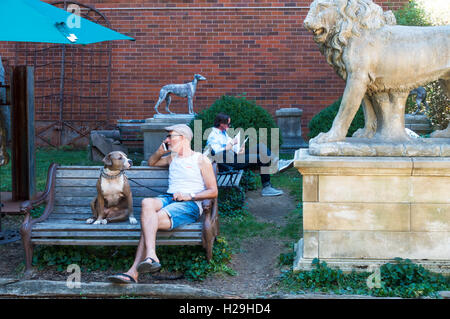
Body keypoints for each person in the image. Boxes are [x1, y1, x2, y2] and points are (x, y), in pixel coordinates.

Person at [107, 124, 218, 284]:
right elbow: (152, 162)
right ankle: (151, 255)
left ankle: (133, 272)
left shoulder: (200, 159)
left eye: (170, 136)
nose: (167, 140)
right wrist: (160, 151)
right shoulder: (172, 157)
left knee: (150, 221)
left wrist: (189, 195)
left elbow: (213, 191)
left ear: (184, 138)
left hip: (190, 204)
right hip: (169, 198)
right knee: (147, 203)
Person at [206, 113, 293, 197]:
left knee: (260, 146)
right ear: (221, 124)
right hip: (229, 163)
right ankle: (267, 187)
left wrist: (240, 147)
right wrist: (232, 143)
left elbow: (231, 148)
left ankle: (278, 163)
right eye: (228, 124)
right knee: (262, 158)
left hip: (234, 156)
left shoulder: (223, 133)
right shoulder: (213, 135)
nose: (230, 126)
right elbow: (217, 152)